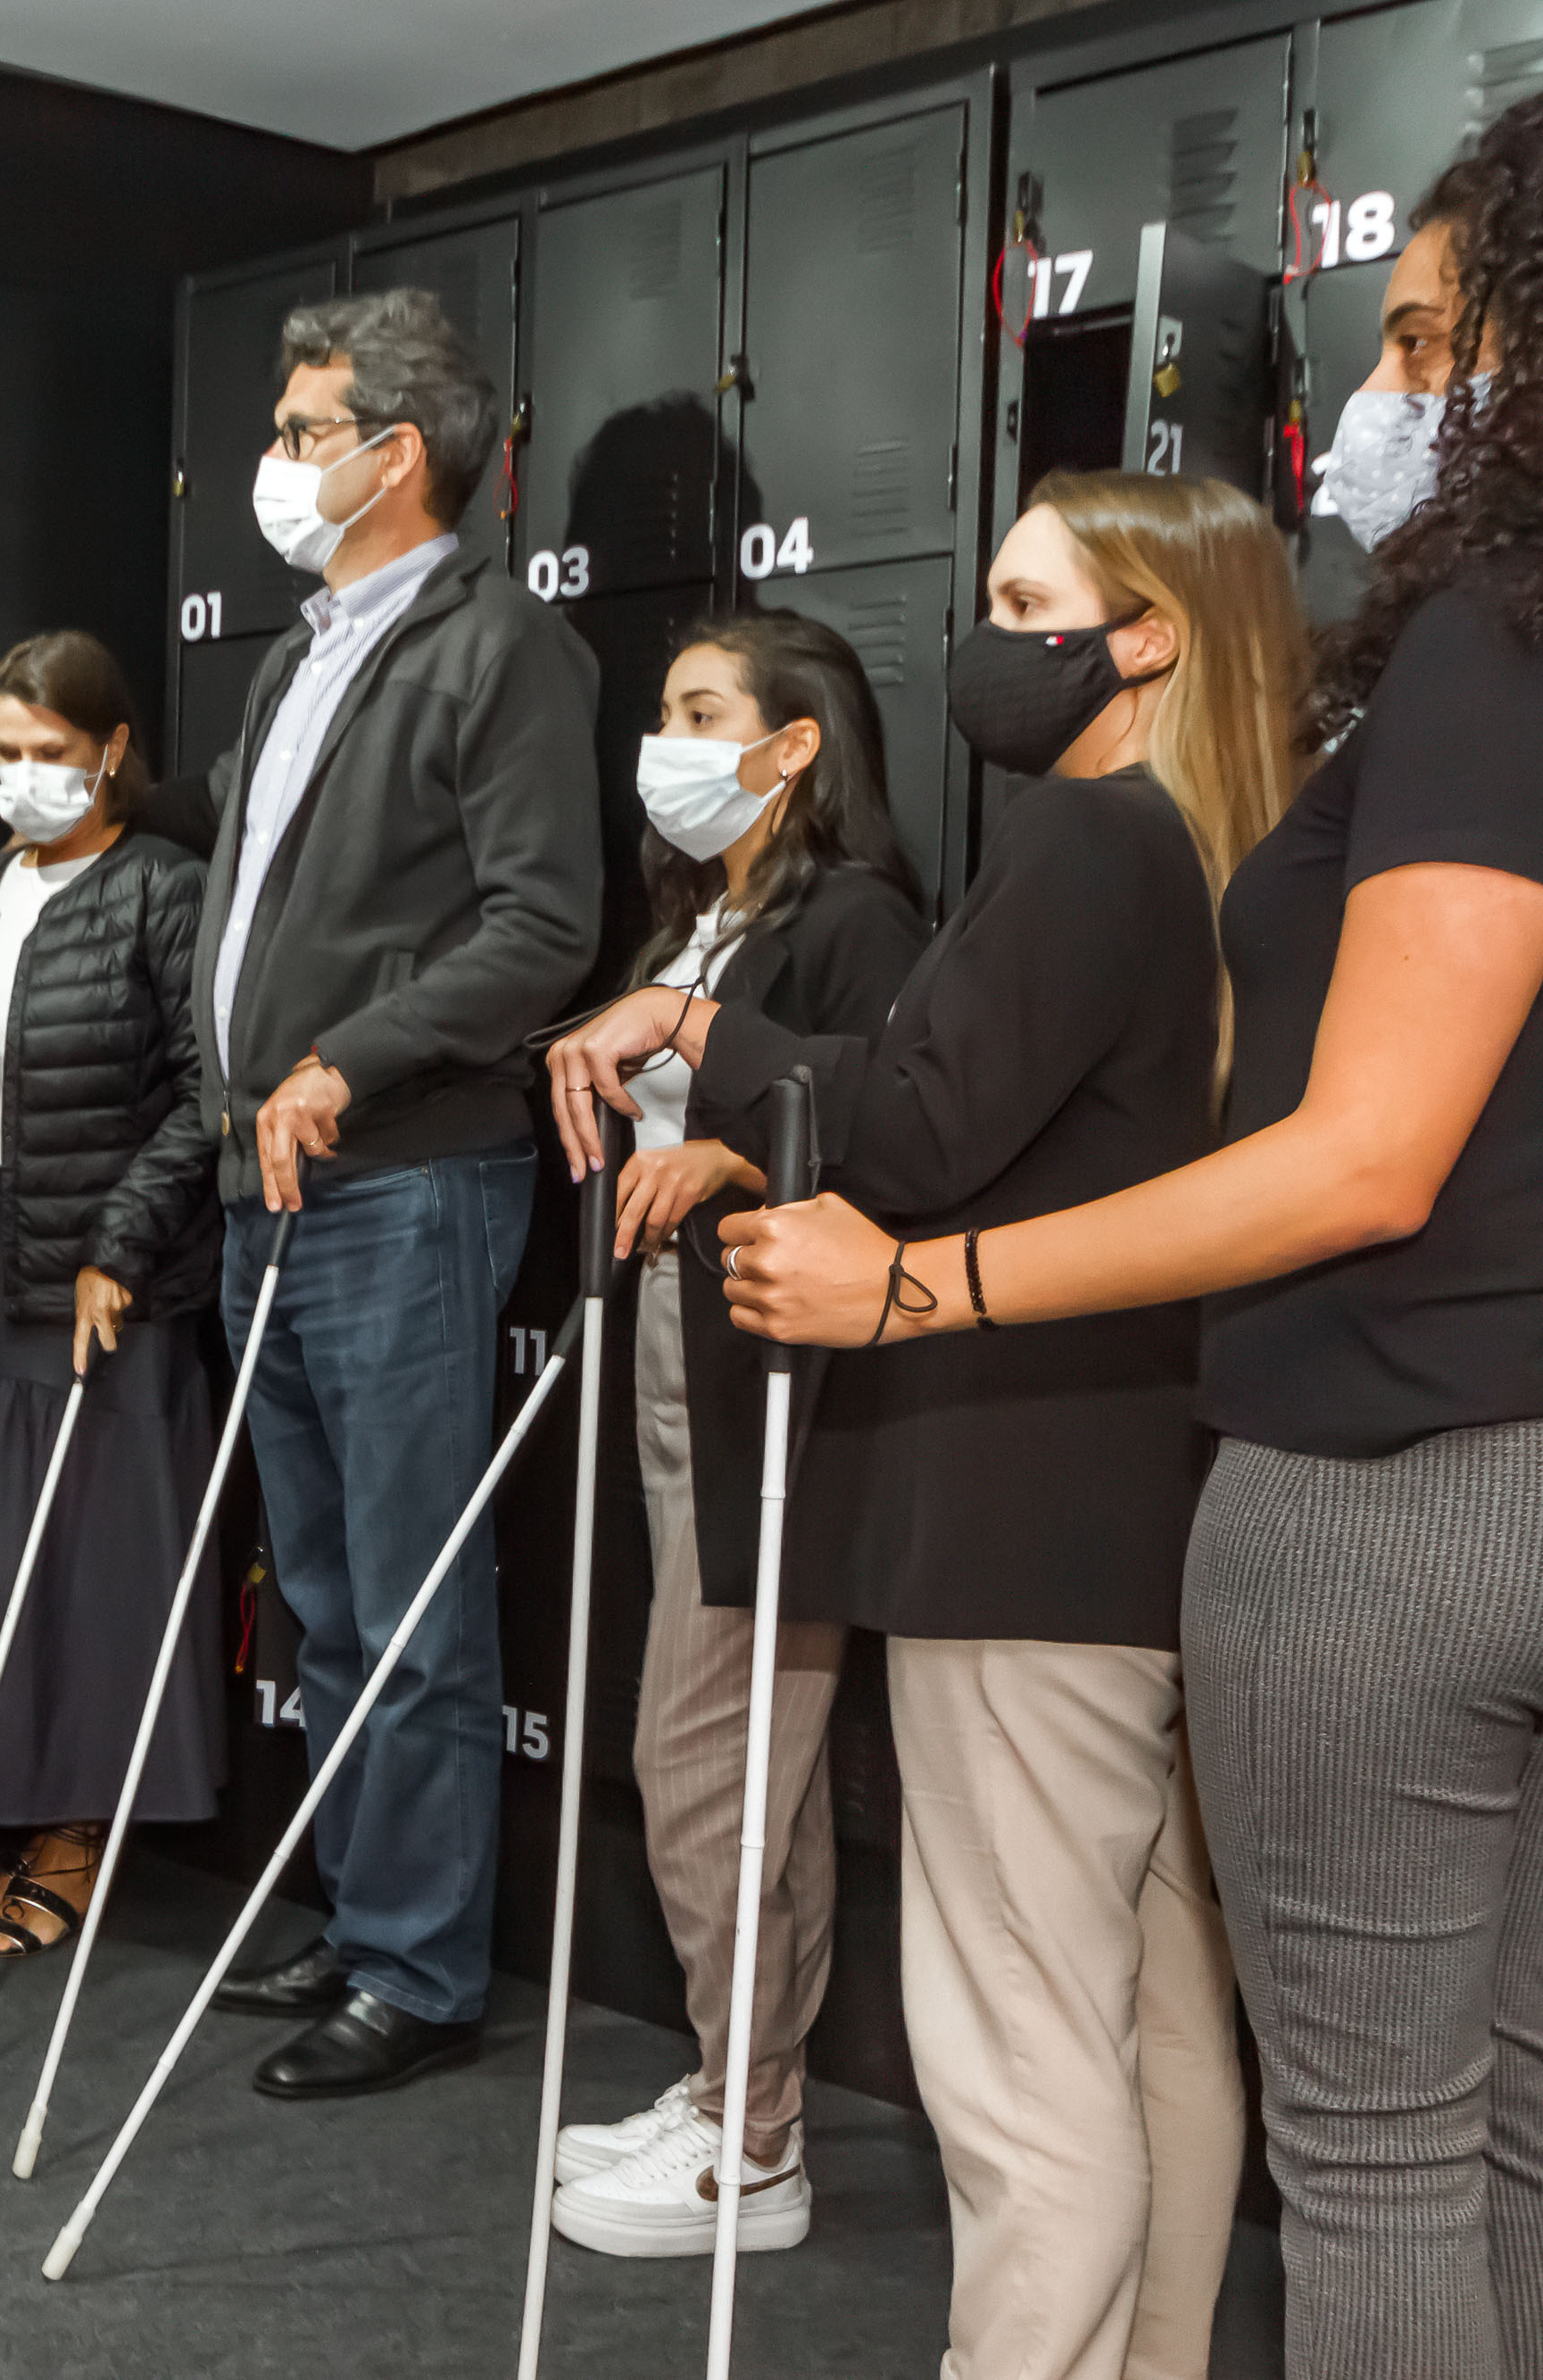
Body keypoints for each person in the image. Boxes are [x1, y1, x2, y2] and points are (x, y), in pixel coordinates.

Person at [721, 128, 1543, 2376]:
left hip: (1347, 1485)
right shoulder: (1301, 772)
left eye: (1416, 337)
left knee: (1325, 2140)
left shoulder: (1456, 659)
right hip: (1334, 1486)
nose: (1377, 396)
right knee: (1432, 2128)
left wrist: (910, 1273)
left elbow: (1360, 1155)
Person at [557, 469, 1305, 2376]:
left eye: (1021, 593)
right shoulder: (1232, 848)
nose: (982, 634)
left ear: (1138, 631)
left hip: (1012, 1505)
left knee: (1014, 2042)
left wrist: (693, 1030)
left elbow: (910, 1123)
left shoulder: (1091, 839)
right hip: (1142, 1500)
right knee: (1144, 2007)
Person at [192, 288, 603, 2099]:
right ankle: (364, 1909)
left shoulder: (492, 643)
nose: (276, 464)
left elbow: (540, 926)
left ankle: (423, 1968)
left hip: (402, 1182)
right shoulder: (297, 651)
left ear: (395, 455)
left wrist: (338, 1060)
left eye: (300, 432)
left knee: (417, 1602)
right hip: (260, 1185)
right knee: (329, 1598)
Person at [536, 614, 927, 2257]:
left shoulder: (854, 916)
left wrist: (746, 1163)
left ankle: (753, 2143)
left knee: (712, 1759)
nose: (670, 737)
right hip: (677, 1358)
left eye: (707, 710)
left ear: (795, 745)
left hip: (782, 1382)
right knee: (726, 1762)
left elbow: (896, 1124)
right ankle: (734, 2091)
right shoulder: (698, 919)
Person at [0, 631, 220, 1956]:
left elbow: (207, 1093)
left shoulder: (164, 890)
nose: (25, 779)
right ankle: (11, 1810)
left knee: (92, 1553)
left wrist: (120, 1243)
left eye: (53, 757)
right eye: (7, 757)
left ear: (114, 751)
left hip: (92, 1268)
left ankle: (78, 1832)